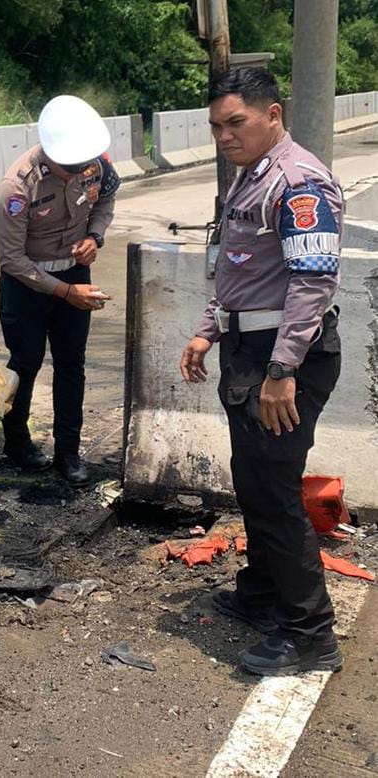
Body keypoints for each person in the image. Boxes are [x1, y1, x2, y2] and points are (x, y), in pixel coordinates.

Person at [180, 67, 343, 676]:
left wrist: (282, 370)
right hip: (249, 352)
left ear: (272, 114)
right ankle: (263, 595)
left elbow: (311, 282)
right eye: (217, 126)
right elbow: (238, 272)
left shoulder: (299, 183)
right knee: (253, 483)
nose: (224, 135)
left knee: (275, 495)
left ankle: (310, 638)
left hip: (284, 359)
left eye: (235, 123)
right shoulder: (251, 177)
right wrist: (208, 328)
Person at [0, 95, 120, 485]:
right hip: (26, 287)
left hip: (73, 274)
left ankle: (68, 453)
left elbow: (106, 202)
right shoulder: (17, 188)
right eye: (70, 168)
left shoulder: (95, 164)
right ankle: (17, 444)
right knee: (25, 364)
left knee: (71, 364)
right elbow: (12, 259)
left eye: (83, 165)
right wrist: (65, 293)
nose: (78, 173)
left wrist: (95, 238)